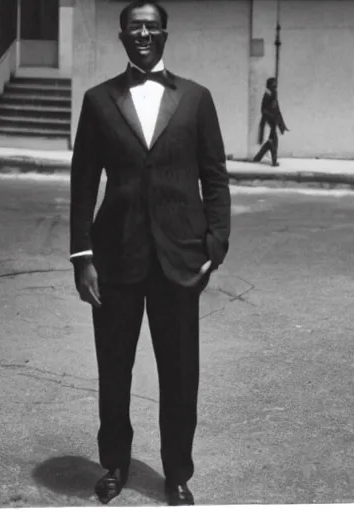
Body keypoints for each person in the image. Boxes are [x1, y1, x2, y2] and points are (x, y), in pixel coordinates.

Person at [69, 0, 231, 506]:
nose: (142, 34)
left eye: (151, 26)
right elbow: (81, 184)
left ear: (165, 34)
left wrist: (216, 245)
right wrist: (82, 257)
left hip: (180, 260)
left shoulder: (197, 99)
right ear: (121, 36)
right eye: (133, 27)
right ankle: (115, 465)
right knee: (113, 370)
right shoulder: (98, 101)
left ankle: (177, 473)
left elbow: (215, 176)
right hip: (114, 260)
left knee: (181, 375)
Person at [253, 77, 289, 166]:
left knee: (271, 142)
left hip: (273, 122)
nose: (275, 87)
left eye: (275, 85)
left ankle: (257, 159)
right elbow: (264, 110)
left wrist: (282, 125)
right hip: (271, 121)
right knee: (274, 141)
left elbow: (277, 110)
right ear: (269, 86)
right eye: (273, 85)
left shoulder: (273, 94)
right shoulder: (268, 95)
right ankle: (273, 162)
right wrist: (272, 119)